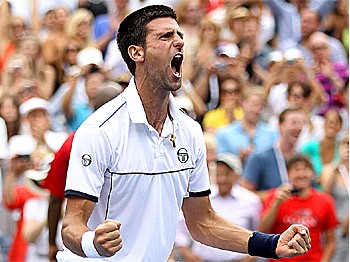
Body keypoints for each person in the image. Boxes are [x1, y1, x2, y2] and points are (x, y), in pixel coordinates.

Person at [58, 5, 311, 261]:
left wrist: (271, 244)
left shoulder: (190, 131)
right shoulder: (99, 130)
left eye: (179, 35)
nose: (179, 42)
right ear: (137, 53)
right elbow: (71, 225)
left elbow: (202, 221)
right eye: (165, 36)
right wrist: (93, 242)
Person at [41, 85, 122, 261]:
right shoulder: (72, 145)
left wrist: (51, 244)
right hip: (86, 245)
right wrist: (51, 244)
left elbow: (55, 199)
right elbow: (55, 198)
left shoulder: (141, 141)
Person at [175, 153, 261, 262]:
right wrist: (186, 252)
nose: (222, 179)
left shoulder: (250, 200)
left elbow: (260, 229)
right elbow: (181, 225)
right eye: (218, 174)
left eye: (227, 174)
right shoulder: (202, 196)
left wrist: (249, 258)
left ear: (237, 175)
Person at [259, 154, 338, 262]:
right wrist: (276, 204)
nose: (301, 174)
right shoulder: (275, 196)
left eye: (305, 169)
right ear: (288, 173)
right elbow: (262, 230)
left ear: (312, 173)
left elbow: (331, 242)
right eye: (296, 170)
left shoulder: (325, 200)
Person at [241, 107, 304, 200]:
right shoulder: (260, 158)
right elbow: (244, 193)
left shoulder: (303, 160)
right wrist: (274, 196)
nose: (298, 127)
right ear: (280, 126)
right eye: (294, 122)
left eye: (301, 123)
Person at [320, 134, 349, 262]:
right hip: (336, 229)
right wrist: (339, 165)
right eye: (346, 143)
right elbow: (325, 193)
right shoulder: (330, 169)